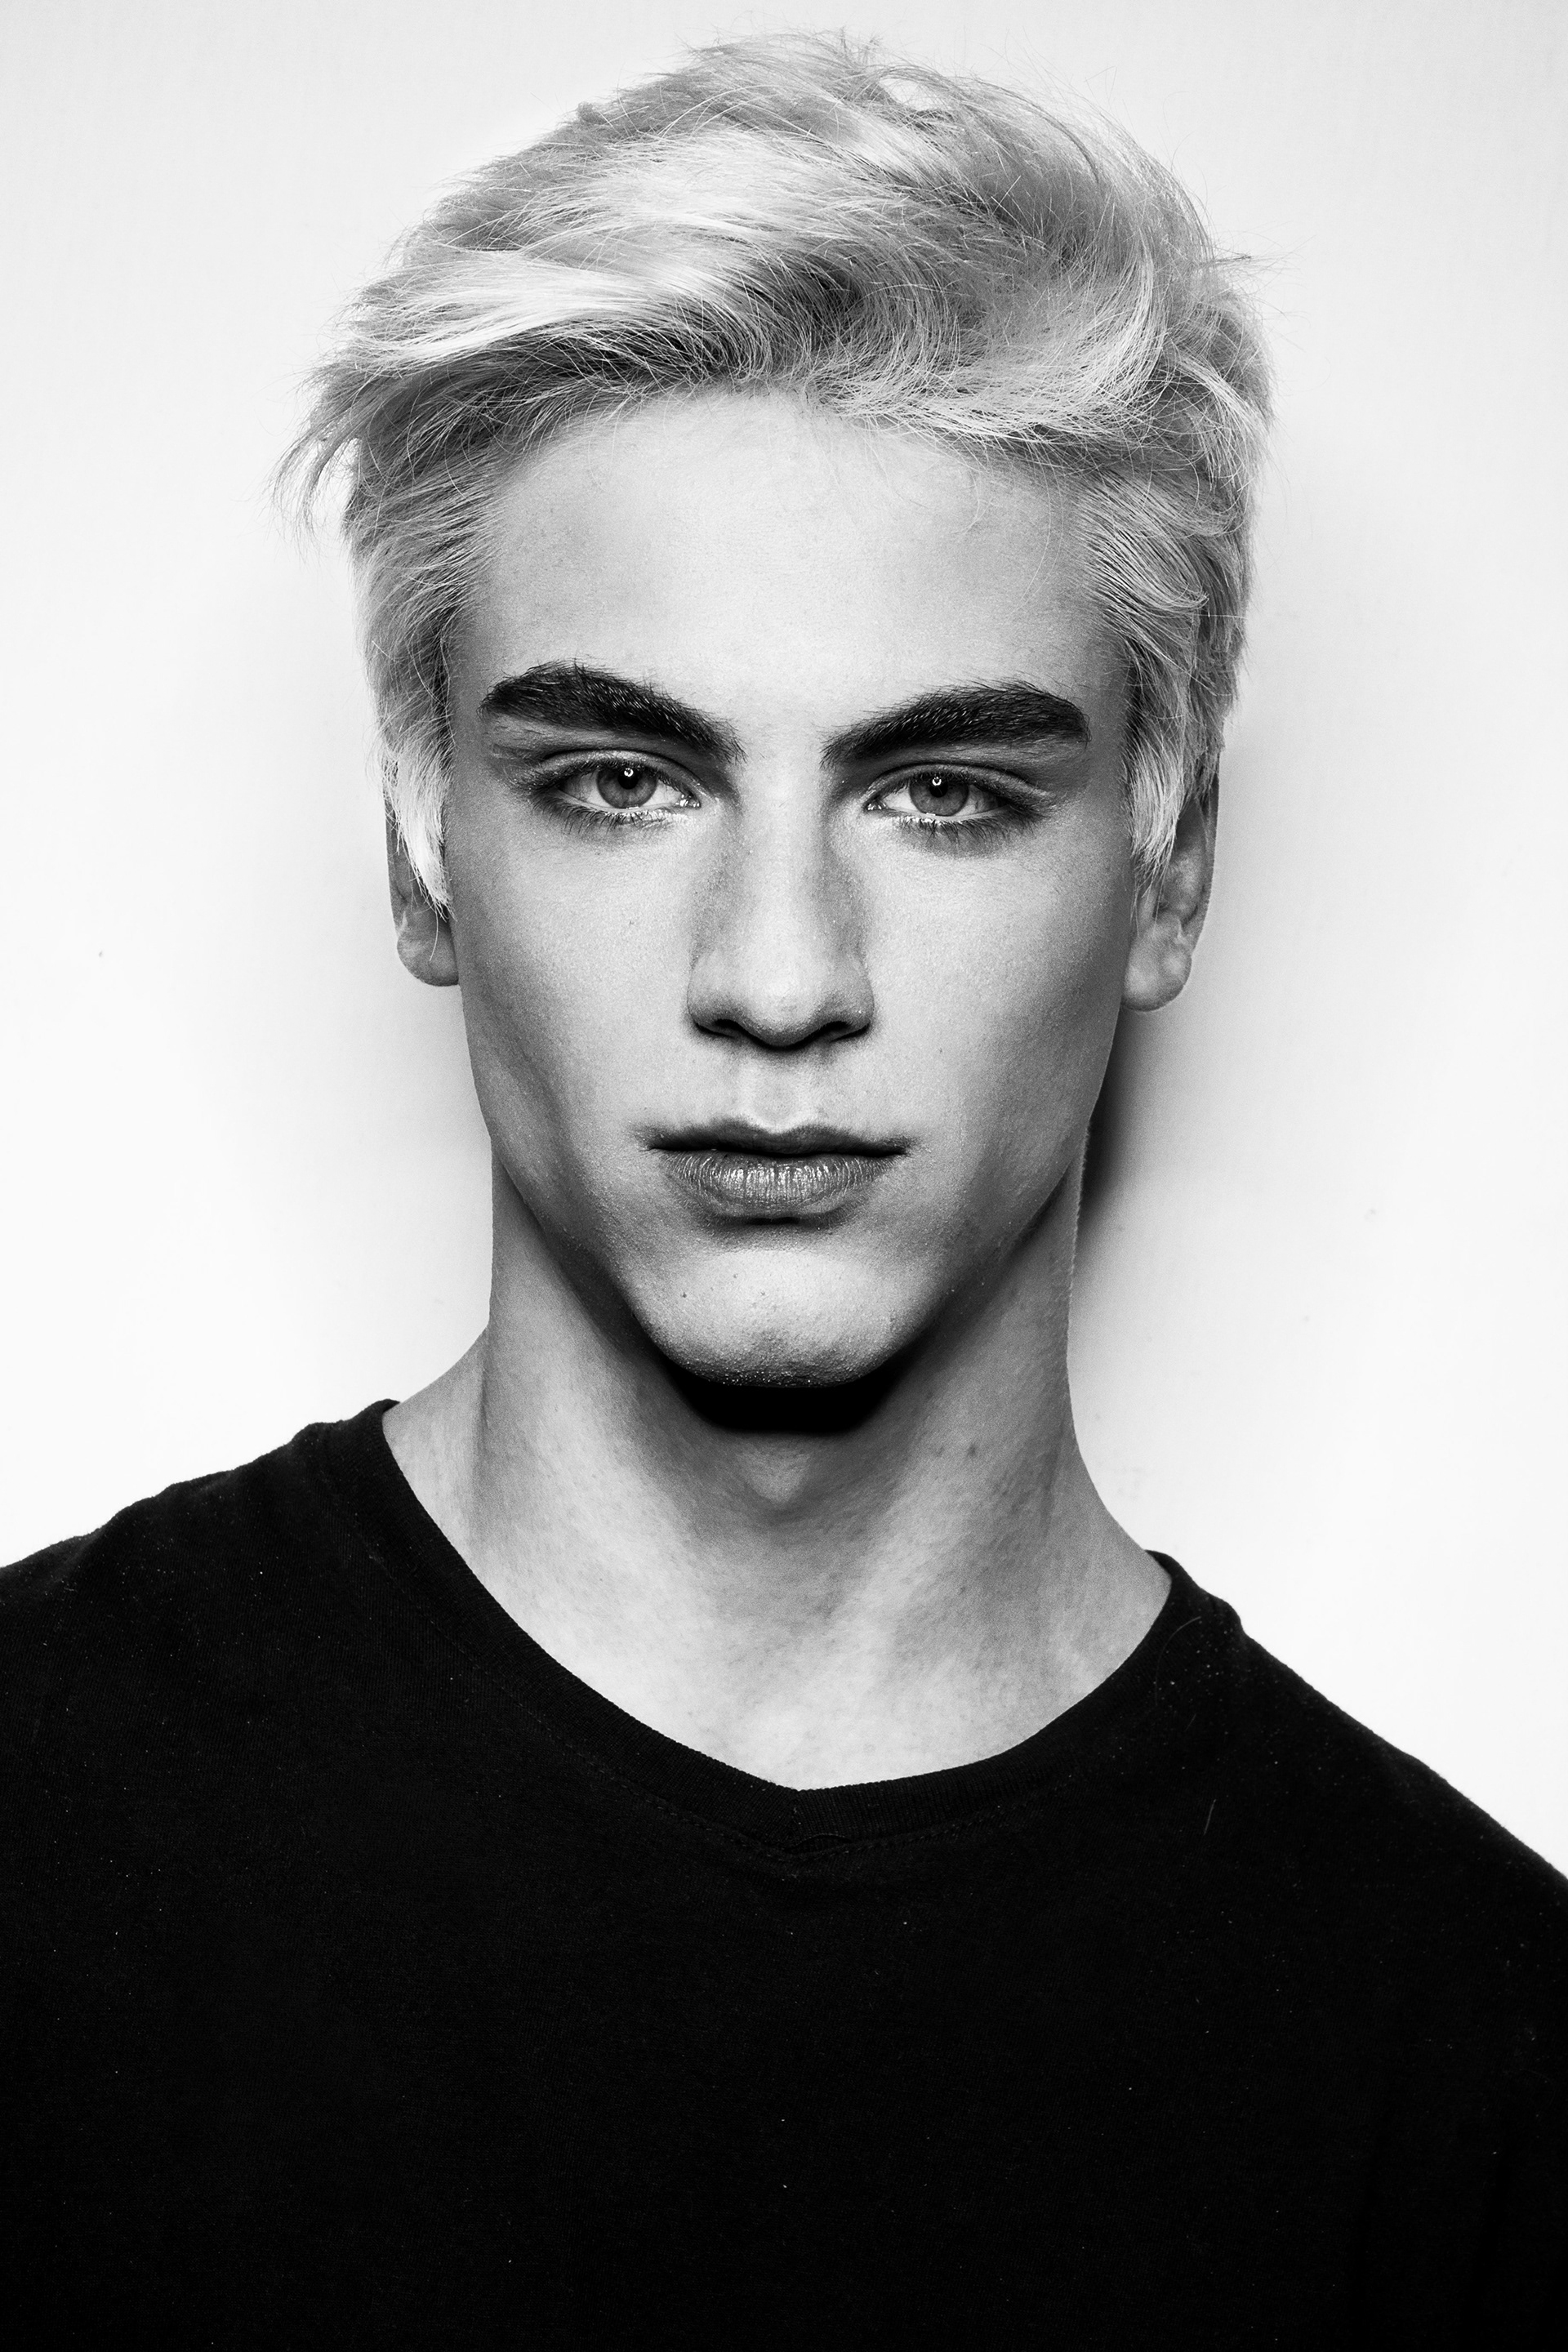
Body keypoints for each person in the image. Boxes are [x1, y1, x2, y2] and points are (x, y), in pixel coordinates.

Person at [2, 32, 1563, 2346]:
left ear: (1168, 869)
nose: (778, 978)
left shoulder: (1490, 2082)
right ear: (426, 850)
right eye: (621, 781)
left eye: (946, 796)